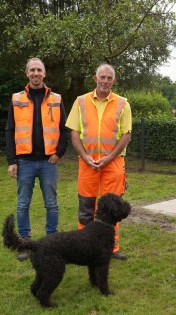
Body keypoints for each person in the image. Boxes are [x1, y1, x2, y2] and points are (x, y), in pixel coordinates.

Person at [66, 63, 132, 261]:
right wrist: (86, 157)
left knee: (113, 208)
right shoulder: (80, 101)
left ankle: (112, 249)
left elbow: (126, 135)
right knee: (86, 205)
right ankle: (84, 247)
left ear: (114, 81)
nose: (105, 81)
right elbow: (74, 133)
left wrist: (109, 158)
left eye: (109, 78)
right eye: (102, 77)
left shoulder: (123, 103)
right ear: (95, 79)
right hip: (87, 163)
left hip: (113, 163)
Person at [5, 57, 69, 247]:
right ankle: (25, 242)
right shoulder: (16, 99)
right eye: (32, 70)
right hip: (24, 162)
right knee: (23, 204)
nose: (36, 73)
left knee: (51, 204)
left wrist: (59, 153)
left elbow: (64, 129)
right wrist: (11, 161)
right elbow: (10, 130)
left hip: (49, 162)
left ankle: (52, 241)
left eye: (39, 70)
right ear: (27, 73)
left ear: (44, 73)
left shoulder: (56, 99)